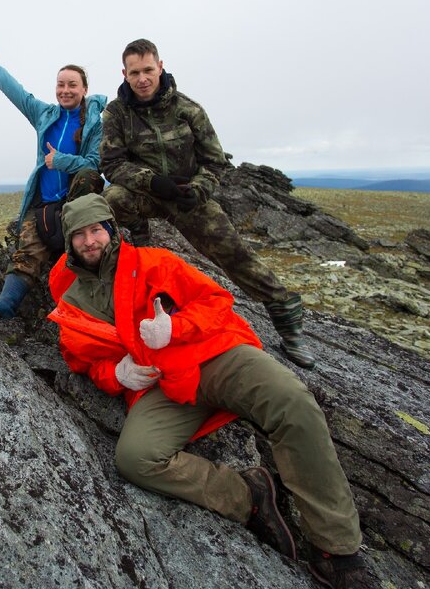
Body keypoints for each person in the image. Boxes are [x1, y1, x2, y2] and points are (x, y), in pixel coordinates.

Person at [48, 193, 402, 589]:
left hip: (214, 356)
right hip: (166, 386)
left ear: (111, 229)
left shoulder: (155, 263)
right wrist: (115, 374)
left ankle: (337, 552)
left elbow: (216, 301)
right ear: (69, 241)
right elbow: (78, 358)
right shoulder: (70, 295)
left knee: (292, 402)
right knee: (135, 459)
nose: (90, 239)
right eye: (79, 233)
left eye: (96, 228)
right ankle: (249, 495)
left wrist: (174, 328)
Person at [99, 38, 315, 368]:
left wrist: (198, 190)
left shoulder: (189, 110)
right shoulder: (117, 113)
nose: (142, 78)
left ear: (160, 66)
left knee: (235, 253)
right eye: (134, 72)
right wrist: (153, 182)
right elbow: (112, 164)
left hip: (188, 199)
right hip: (147, 193)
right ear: (124, 74)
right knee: (110, 202)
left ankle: (287, 322)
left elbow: (215, 163)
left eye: (147, 70)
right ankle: (137, 243)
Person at [0, 38, 107, 318]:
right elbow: (14, 91)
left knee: (86, 177)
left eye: (72, 85)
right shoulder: (44, 114)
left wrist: (59, 161)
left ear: (84, 90)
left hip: (76, 203)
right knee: (28, 251)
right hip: (44, 204)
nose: (65, 90)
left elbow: (94, 164)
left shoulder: (95, 124)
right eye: (61, 84)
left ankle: (87, 309)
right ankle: (7, 304)